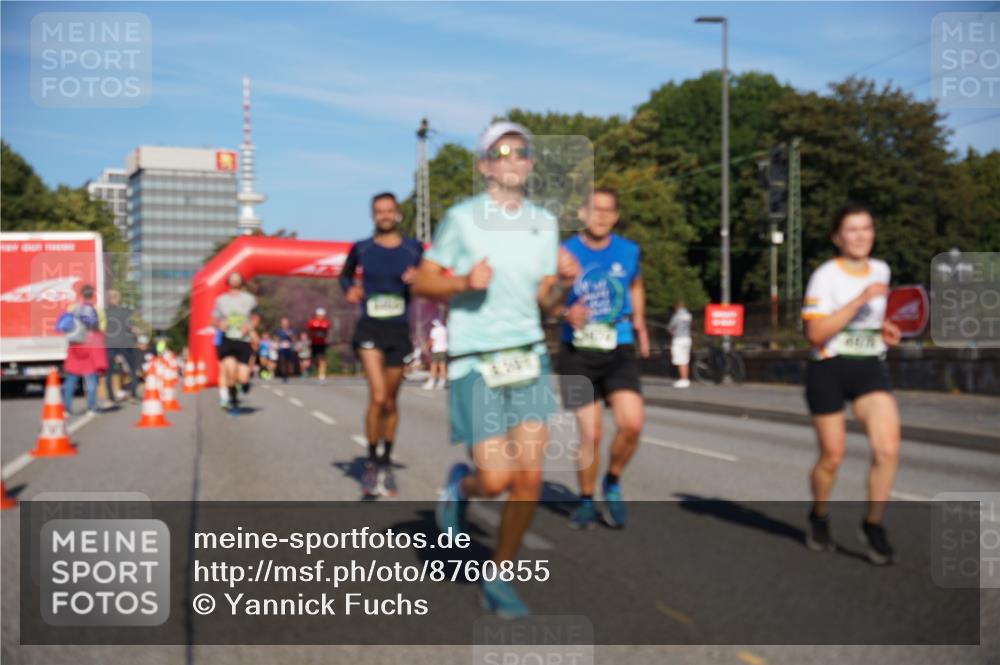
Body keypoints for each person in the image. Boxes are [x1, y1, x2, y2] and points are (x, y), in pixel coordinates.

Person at [413, 121, 578, 617]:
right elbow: (423, 281)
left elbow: (546, 303)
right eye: (502, 152)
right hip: (475, 361)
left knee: (529, 477)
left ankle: (500, 574)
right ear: (485, 165)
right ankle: (460, 487)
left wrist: (565, 284)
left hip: (528, 355)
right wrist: (463, 280)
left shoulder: (544, 223)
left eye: (522, 152)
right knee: (497, 478)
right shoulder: (462, 220)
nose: (514, 159)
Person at [800, 202, 902, 566]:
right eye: (852, 230)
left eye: (866, 228)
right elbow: (815, 333)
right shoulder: (825, 276)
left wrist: (885, 329)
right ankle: (819, 514)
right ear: (837, 237)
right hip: (828, 368)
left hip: (870, 368)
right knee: (833, 457)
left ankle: (872, 524)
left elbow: (874, 319)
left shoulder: (881, 269)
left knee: (888, 449)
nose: (861, 236)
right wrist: (860, 299)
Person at [558, 187, 649, 530]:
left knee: (632, 424)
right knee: (591, 433)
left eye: (608, 211)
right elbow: (545, 295)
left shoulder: (628, 251)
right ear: (582, 213)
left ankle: (612, 479)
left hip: (618, 347)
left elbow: (636, 284)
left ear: (616, 216)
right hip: (576, 353)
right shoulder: (564, 251)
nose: (601, 216)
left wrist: (639, 320)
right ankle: (584, 499)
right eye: (595, 209)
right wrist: (565, 309)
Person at [341, 192, 423, 497]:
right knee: (377, 398)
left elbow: (429, 277)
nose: (384, 216)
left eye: (389, 211)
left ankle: (386, 461)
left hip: (398, 331)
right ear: (373, 215)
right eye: (379, 212)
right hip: (369, 328)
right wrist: (349, 290)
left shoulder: (412, 248)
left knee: (390, 402)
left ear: (397, 214)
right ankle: (372, 462)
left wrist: (419, 276)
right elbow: (345, 277)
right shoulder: (362, 248)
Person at [212, 272, 259, 411]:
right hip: (227, 340)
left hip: (243, 341)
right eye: (232, 278)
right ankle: (232, 398)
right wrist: (220, 324)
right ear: (228, 282)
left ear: (241, 282)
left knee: (243, 378)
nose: (234, 280)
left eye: (237, 278)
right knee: (230, 373)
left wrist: (249, 327)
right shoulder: (221, 300)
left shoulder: (249, 299)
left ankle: (243, 385)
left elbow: (256, 317)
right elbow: (213, 319)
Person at [61, 284, 107, 415]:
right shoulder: (97, 310)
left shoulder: (72, 308)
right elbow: (102, 329)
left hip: (75, 346)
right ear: (92, 295)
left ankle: (66, 409)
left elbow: (66, 324)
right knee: (91, 379)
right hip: (90, 346)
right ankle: (91, 408)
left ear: (81, 294)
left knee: (71, 378)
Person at [102, 288, 140, 404]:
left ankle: (110, 397)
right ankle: (133, 395)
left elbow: (100, 329)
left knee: (108, 372)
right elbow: (133, 328)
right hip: (126, 343)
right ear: (118, 298)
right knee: (132, 369)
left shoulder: (104, 313)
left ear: (108, 299)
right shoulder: (126, 312)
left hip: (109, 344)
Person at [667, 300, 693, 388]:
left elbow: (670, 327)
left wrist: (671, 331)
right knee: (685, 360)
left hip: (678, 339)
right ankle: (686, 378)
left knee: (680, 359)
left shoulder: (677, 316)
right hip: (687, 338)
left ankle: (683, 379)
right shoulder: (688, 315)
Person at [306, 308, 330, 383]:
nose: (321, 316)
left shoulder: (326, 322)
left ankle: (321, 376)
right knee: (315, 360)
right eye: (320, 315)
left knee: (322, 359)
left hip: (322, 343)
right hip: (314, 343)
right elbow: (308, 330)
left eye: (322, 315)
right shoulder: (312, 322)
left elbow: (326, 331)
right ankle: (317, 369)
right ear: (317, 315)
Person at [424, 318, 448, 390]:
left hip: (436, 349)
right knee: (442, 365)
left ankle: (431, 382)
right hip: (444, 349)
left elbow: (431, 340)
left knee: (433, 365)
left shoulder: (434, 330)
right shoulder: (444, 329)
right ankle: (442, 382)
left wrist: (427, 348)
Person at [275, 317, 297, 382]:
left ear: (288, 324)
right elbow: (277, 339)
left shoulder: (292, 330)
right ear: (281, 324)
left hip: (289, 349)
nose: (285, 325)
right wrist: (277, 344)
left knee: (288, 363)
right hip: (281, 349)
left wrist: (290, 335)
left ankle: (287, 374)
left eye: (286, 323)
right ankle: (284, 376)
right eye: (283, 323)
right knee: (282, 362)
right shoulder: (278, 331)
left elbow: (294, 340)